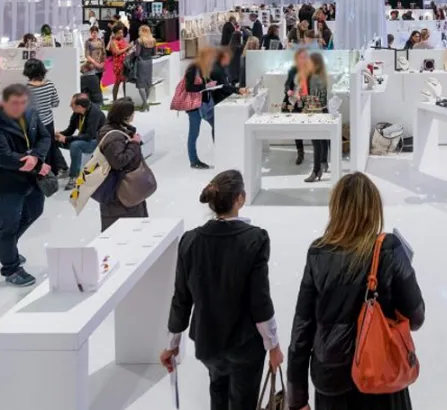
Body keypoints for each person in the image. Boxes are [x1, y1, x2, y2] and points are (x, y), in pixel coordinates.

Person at [287, 172, 425, 410]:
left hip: (331, 379)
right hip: (382, 373)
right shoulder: (389, 249)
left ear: (336, 207)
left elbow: (302, 328)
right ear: (373, 208)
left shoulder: (318, 253)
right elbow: (416, 317)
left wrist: (297, 398)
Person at [160, 170, 283, 410]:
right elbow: (259, 301)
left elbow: (181, 298)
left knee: (218, 391)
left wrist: (172, 344)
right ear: (240, 199)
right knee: (243, 401)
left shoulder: (190, 240)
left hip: (208, 344)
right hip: (245, 345)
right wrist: (274, 345)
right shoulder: (255, 239)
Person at [0, 84, 50, 287]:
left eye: (23, 102)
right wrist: (33, 163)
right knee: (8, 226)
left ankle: (6, 248)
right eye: (14, 103)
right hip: (7, 183)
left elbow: (45, 137)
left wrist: (37, 156)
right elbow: (4, 156)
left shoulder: (32, 114)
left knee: (34, 211)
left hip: (32, 178)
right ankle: (10, 268)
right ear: (4, 102)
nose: (19, 106)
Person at [96, 98, 148, 231]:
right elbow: (118, 161)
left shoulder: (118, 130)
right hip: (120, 191)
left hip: (126, 188)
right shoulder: (113, 136)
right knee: (126, 230)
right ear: (127, 115)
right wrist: (134, 144)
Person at [56, 94, 105, 190]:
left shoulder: (95, 113)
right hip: (84, 139)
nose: (70, 106)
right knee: (53, 140)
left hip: (96, 141)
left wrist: (66, 139)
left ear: (79, 107)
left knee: (75, 145)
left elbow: (89, 136)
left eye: (72, 105)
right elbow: (70, 130)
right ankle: (62, 168)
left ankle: (74, 176)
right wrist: (59, 134)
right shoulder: (77, 113)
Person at [23, 58, 64, 175]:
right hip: (48, 122)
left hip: (34, 124)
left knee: (37, 149)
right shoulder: (49, 84)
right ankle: (52, 172)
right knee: (50, 146)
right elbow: (55, 103)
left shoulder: (26, 89)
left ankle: (39, 172)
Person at [186, 47, 218, 169]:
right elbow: (189, 87)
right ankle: (193, 161)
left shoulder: (204, 68)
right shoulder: (193, 68)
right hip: (195, 106)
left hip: (205, 104)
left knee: (217, 126)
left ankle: (221, 152)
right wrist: (206, 86)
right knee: (194, 134)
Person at [303, 53, 330, 183]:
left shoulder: (314, 78)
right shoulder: (322, 76)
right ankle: (323, 162)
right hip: (323, 110)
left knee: (316, 142)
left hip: (316, 111)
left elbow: (313, 99)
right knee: (323, 139)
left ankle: (316, 170)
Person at [283, 49, 311, 165]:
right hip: (293, 101)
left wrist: (304, 96)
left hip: (306, 102)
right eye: (300, 58)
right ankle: (300, 151)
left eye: (304, 57)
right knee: (295, 125)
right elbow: (286, 84)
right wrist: (288, 91)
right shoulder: (292, 71)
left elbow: (312, 88)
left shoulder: (310, 71)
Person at [134, 25, 156, 112]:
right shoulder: (153, 40)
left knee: (141, 85)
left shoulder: (139, 41)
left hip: (141, 62)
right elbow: (154, 53)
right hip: (149, 62)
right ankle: (145, 103)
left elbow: (137, 54)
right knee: (148, 83)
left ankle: (145, 103)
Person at [107, 24, 130, 101]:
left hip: (125, 63)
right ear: (115, 33)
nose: (121, 34)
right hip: (118, 64)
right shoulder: (113, 42)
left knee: (125, 82)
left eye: (122, 32)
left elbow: (127, 48)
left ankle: (125, 98)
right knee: (117, 82)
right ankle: (114, 100)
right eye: (119, 33)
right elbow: (117, 52)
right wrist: (127, 48)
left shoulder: (123, 40)